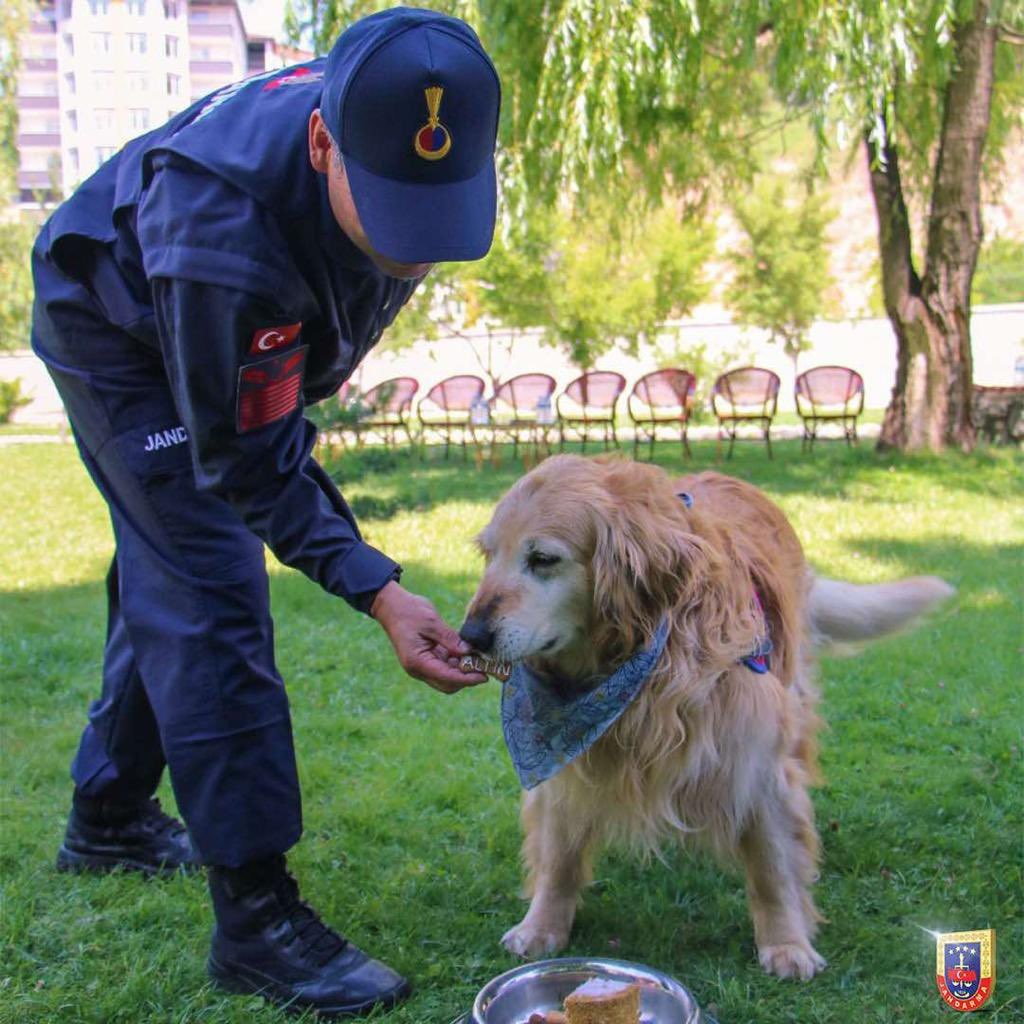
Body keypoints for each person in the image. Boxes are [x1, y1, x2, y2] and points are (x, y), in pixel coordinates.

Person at [29, 7, 499, 1018]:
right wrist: (375, 588)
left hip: (202, 322)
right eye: (391, 217)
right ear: (325, 142)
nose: (411, 261)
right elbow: (248, 460)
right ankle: (255, 918)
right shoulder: (222, 234)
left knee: (169, 567)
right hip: (117, 335)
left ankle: (107, 816)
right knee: (208, 575)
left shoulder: (398, 95)